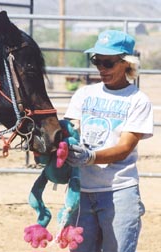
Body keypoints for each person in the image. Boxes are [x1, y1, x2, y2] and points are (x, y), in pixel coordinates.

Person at [64, 29, 154, 252]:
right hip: (80, 193)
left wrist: (90, 157)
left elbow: (124, 148)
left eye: (108, 63)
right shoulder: (84, 94)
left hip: (119, 192)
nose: (101, 69)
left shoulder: (138, 101)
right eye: (97, 61)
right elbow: (68, 132)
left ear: (126, 63)